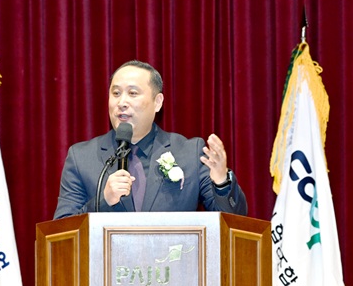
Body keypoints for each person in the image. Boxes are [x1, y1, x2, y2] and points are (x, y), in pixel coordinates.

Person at [53, 60, 247, 219]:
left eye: (133, 93)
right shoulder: (81, 157)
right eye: (116, 93)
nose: (122, 102)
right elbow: (62, 233)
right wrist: (104, 202)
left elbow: (232, 221)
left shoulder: (189, 153)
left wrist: (221, 181)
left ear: (158, 102)